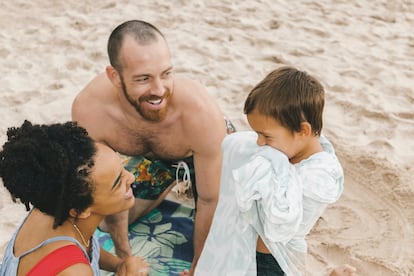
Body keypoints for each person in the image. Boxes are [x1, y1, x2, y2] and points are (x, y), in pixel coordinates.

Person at [71, 20, 234, 274]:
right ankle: (171, 181)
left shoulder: (200, 114)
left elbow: (210, 200)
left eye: (166, 73)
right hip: (155, 160)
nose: (159, 90)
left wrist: (197, 269)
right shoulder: (90, 112)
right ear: (114, 76)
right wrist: (125, 259)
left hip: (208, 153)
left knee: (233, 234)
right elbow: (105, 184)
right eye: (144, 78)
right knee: (105, 220)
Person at [195, 67, 349, 275]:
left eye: (266, 136)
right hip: (249, 248)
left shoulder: (321, 175)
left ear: (302, 131)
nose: (259, 143)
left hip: (273, 261)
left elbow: (278, 217)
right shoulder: (287, 150)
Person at [0, 120, 148, 275]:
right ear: (81, 211)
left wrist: (118, 265)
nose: (131, 177)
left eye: (123, 168)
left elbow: (84, 245)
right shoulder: (75, 272)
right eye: (118, 182)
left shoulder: (54, 207)